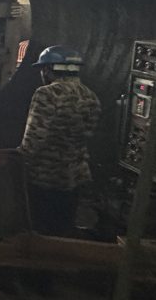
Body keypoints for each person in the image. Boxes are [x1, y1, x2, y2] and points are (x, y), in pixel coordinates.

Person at [19, 45, 101, 237]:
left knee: (41, 229)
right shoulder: (91, 96)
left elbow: (34, 139)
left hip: (45, 177)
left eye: (43, 69)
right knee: (63, 228)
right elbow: (88, 134)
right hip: (74, 177)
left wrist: (15, 158)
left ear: (49, 69)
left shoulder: (47, 94)